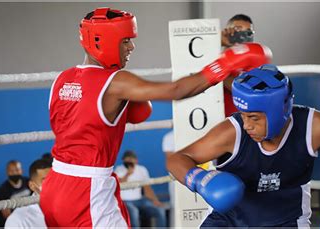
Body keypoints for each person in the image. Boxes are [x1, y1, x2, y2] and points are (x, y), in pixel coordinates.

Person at [40, 7, 271, 227]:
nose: (131, 47)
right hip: (88, 190)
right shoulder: (117, 82)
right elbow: (176, 90)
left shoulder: (63, 78)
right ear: (104, 41)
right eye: (126, 41)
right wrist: (224, 64)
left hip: (54, 185)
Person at [167, 65, 320, 228]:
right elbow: (177, 159)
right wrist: (200, 180)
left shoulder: (315, 128)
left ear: (279, 111)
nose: (247, 124)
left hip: (287, 222)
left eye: (254, 117)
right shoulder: (232, 133)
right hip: (229, 221)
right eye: (243, 115)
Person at [221, 14, 270, 117]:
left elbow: (241, 90)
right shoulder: (217, 56)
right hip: (221, 120)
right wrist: (218, 43)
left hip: (245, 122)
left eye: (248, 32)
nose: (243, 36)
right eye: (238, 31)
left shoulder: (258, 58)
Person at [114, 150, 166, 228]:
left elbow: (147, 188)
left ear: (136, 160)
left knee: (159, 210)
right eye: (126, 159)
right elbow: (119, 183)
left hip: (140, 200)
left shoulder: (142, 169)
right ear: (123, 160)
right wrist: (128, 174)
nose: (129, 161)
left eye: (131, 159)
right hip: (125, 202)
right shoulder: (119, 169)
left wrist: (155, 201)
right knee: (134, 213)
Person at [5, 159, 51, 228]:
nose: (54, 185)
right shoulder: (18, 221)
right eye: (46, 181)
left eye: (56, 180)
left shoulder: (69, 208)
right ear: (32, 186)